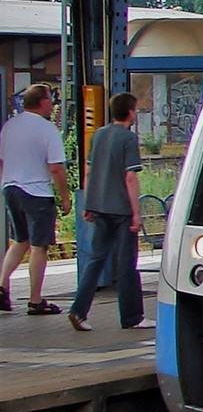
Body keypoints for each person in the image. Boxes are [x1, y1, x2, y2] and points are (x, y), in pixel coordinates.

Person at [68, 91, 148, 331]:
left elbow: (89, 171)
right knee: (126, 265)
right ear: (130, 112)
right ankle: (132, 317)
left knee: (95, 260)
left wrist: (88, 204)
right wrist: (136, 213)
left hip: (99, 207)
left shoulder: (99, 135)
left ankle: (78, 310)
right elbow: (130, 177)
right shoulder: (128, 138)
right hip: (122, 210)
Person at [0, 84, 73, 315]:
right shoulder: (47, 129)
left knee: (20, 240)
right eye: (51, 100)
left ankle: (1, 288)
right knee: (38, 246)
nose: (53, 105)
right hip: (37, 193)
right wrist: (65, 197)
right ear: (42, 102)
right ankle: (35, 300)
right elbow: (56, 168)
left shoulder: (9, 126)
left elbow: (2, 161)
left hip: (11, 188)